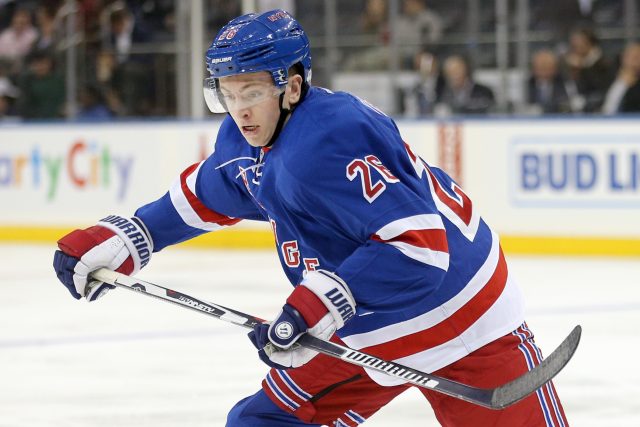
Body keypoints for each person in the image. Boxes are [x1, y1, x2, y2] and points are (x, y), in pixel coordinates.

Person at [52, 9, 569, 427]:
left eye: (252, 91)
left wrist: (312, 308)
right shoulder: (246, 138)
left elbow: (419, 249)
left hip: (462, 316)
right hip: (364, 327)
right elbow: (207, 192)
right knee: (263, 423)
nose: (240, 110)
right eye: (228, 93)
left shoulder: (332, 136)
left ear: (292, 85)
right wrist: (130, 236)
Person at [526, 49, 572, 114]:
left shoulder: (565, 85)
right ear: (533, 69)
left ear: (555, 69)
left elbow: (567, 105)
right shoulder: (525, 87)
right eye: (540, 67)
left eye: (547, 67)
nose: (543, 72)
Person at [602, 42, 640, 115]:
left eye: (637, 57)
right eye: (629, 56)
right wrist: (621, 84)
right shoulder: (608, 77)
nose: (633, 61)